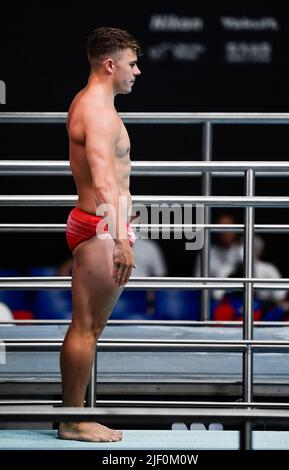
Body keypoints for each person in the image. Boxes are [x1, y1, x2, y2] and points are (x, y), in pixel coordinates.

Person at [58, 27, 141, 442]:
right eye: (131, 64)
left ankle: (76, 414)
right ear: (110, 65)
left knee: (88, 326)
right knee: (86, 327)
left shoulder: (85, 102)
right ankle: (73, 420)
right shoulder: (99, 112)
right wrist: (121, 238)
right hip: (100, 230)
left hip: (94, 224)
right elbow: (106, 182)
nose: (136, 72)